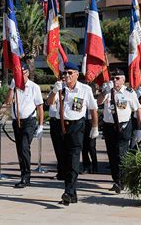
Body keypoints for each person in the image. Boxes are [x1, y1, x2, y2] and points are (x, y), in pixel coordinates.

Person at [47, 62, 98, 205]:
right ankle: (72, 195)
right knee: (64, 163)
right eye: (65, 73)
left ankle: (68, 192)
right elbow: (49, 103)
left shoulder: (85, 89)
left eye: (70, 73)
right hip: (60, 126)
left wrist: (94, 127)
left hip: (76, 127)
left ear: (77, 74)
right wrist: (54, 91)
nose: (67, 76)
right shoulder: (60, 88)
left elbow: (93, 109)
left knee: (74, 160)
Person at [97, 68, 141, 194]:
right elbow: (98, 102)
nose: (115, 81)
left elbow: (137, 109)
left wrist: (138, 128)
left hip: (123, 126)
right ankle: (116, 180)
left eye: (117, 78)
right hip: (109, 127)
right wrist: (105, 91)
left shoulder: (129, 93)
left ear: (123, 80)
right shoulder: (107, 91)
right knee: (112, 155)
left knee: (121, 154)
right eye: (113, 78)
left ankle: (121, 181)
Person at [5, 64, 44, 188]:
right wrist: (12, 87)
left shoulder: (34, 87)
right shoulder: (15, 86)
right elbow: (8, 101)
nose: (20, 75)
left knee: (24, 147)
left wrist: (41, 125)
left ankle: (26, 176)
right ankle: (24, 174)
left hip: (29, 121)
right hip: (17, 121)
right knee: (20, 150)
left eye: (22, 72)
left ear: (27, 73)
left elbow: (40, 107)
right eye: (17, 72)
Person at [47, 72, 65, 180]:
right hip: (54, 122)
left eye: (63, 79)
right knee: (57, 148)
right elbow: (49, 102)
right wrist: (55, 91)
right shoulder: (55, 90)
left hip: (63, 122)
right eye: (61, 79)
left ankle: (66, 171)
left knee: (65, 148)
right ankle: (60, 171)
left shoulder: (67, 93)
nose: (62, 81)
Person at [81, 110, 98, 174]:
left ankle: (95, 166)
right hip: (82, 121)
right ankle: (86, 166)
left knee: (91, 146)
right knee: (83, 146)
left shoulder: (92, 100)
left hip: (91, 122)